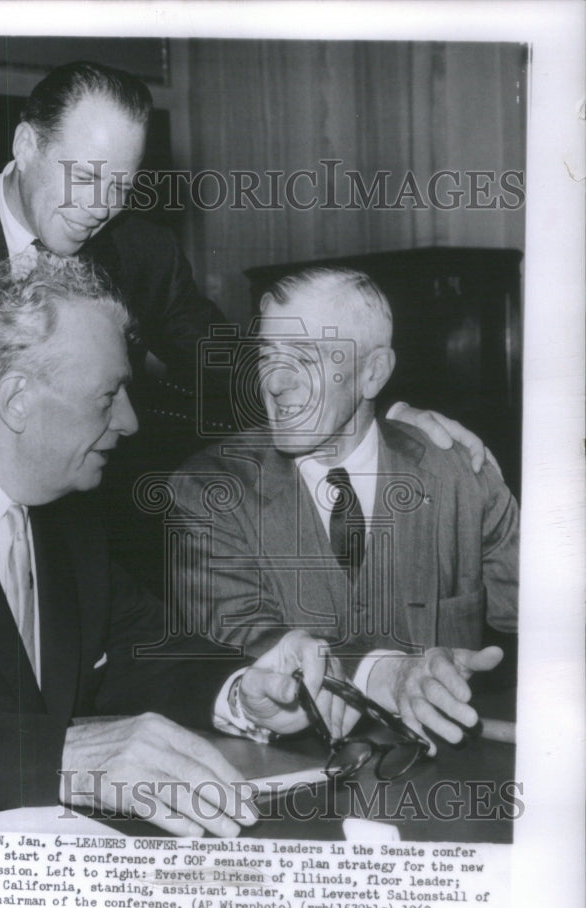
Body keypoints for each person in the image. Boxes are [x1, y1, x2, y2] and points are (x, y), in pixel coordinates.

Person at [0, 254, 362, 837]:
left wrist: (248, 692)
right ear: (17, 397)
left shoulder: (70, 516)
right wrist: (61, 754)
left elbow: (142, 649)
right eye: (108, 395)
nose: (130, 421)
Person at [0, 58, 495, 496]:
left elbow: (230, 370)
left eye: (122, 185)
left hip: (86, 521)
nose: (100, 206)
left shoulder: (144, 253)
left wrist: (364, 412)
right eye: (84, 175)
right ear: (28, 145)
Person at [172, 266, 519, 748]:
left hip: (455, 781)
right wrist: (383, 673)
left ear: (373, 372)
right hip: (299, 792)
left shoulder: (460, 475)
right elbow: (241, 642)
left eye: (306, 358)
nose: (275, 383)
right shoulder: (210, 489)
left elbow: (553, 618)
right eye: (268, 355)